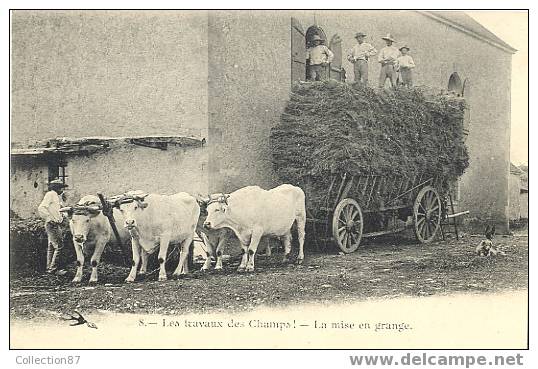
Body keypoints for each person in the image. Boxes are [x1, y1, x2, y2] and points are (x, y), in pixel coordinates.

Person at [38, 179, 68, 274]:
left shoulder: (56, 196)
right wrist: (49, 218)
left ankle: (49, 268)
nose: (62, 190)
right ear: (56, 188)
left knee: (51, 246)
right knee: (59, 246)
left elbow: (57, 211)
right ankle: (54, 269)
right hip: (52, 224)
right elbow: (41, 207)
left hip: (54, 223)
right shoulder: (51, 194)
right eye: (61, 188)